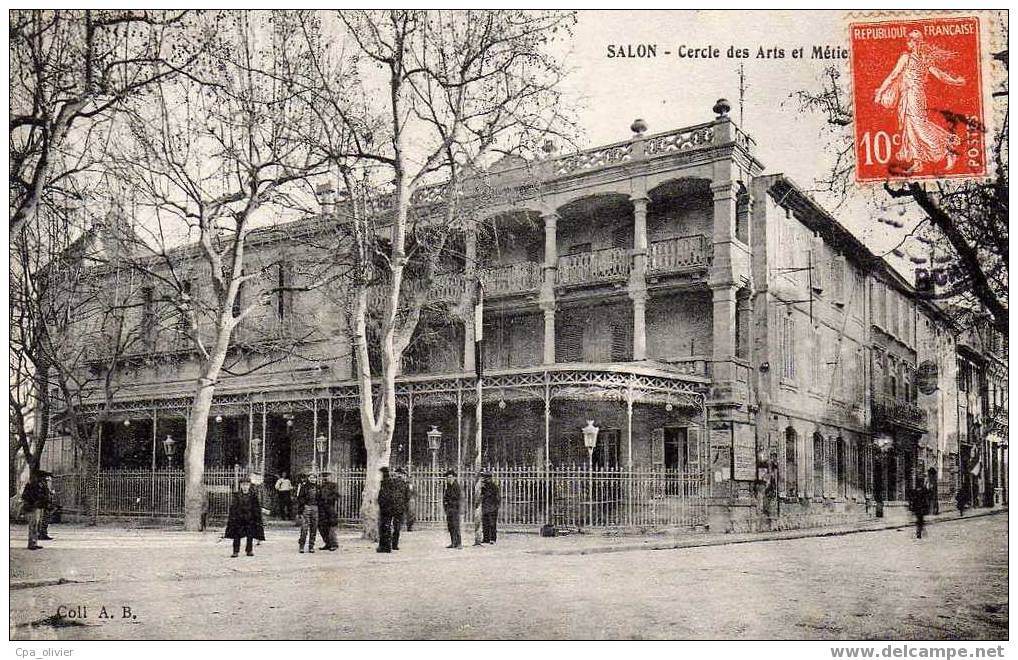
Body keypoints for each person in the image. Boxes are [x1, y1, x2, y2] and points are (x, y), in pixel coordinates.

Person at [873, 29, 966, 174]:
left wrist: (880, 93)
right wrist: (955, 81)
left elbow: (893, 76)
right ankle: (917, 162)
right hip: (912, 95)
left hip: (912, 95)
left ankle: (948, 148)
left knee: (919, 126)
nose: (907, 43)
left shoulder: (907, 57)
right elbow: (940, 75)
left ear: (914, 42)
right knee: (910, 127)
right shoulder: (924, 59)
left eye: (909, 41)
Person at [225, 477, 265, 557]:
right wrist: (233, 518)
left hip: (250, 518)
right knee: (236, 535)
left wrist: (257, 518)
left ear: (249, 485)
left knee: (250, 535)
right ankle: (235, 551)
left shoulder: (253, 496)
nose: (245, 486)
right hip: (239, 519)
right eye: (243, 485)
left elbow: (256, 507)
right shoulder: (236, 495)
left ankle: (249, 550)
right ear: (240, 485)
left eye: (247, 485)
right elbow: (233, 507)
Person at [21, 471, 50, 550]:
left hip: (38, 507)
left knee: (36, 526)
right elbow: (25, 496)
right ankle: (31, 543)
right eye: (42, 477)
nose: (44, 479)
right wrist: (34, 502)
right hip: (32, 507)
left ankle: (34, 542)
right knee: (33, 525)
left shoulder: (39, 485)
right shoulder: (31, 485)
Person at [295, 473, 320, 553]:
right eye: (311, 478)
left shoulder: (318, 487)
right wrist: (301, 509)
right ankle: (301, 546)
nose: (313, 479)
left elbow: (321, 499)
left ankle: (311, 546)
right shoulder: (304, 487)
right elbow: (300, 498)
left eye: (314, 478)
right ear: (308, 478)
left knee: (314, 527)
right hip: (306, 507)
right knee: (304, 528)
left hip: (315, 508)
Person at [376, 467, 398, 553]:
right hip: (390, 508)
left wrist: (380, 502)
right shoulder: (391, 483)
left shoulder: (385, 483)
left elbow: (383, 497)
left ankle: (384, 547)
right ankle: (386, 546)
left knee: (384, 527)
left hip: (385, 509)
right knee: (387, 527)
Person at [317, 472, 339, 551]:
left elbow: (336, 495)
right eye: (323, 477)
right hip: (321, 509)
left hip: (330, 508)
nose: (325, 478)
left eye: (326, 477)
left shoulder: (334, 485)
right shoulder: (320, 486)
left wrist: (328, 499)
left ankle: (334, 544)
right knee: (322, 526)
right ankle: (327, 543)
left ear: (330, 477)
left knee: (331, 525)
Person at [390, 467, 409, 550]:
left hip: (390, 507)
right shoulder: (405, 484)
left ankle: (388, 543)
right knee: (397, 527)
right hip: (400, 508)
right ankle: (394, 544)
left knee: (388, 525)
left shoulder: (390, 482)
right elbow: (407, 496)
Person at [442, 469, 462, 548]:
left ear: (454, 478)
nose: (449, 479)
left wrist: (449, 502)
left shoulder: (456, 486)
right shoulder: (448, 486)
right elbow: (445, 497)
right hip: (449, 509)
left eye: (450, 477)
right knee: (450, 526)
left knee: (456, 526)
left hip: (455, 509)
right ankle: (453, 542)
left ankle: (459, 543)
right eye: (448, 478)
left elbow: (457, 498)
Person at [480, 471, 501, 544]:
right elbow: (480, 496)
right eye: (485, 478)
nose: (485, 480)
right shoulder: (483, 487)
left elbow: (498, 498)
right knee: (485, 524)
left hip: (492, 508)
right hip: (485, 508)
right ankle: (486, 538)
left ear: (490, 478)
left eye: (487, 478)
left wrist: (495, 507)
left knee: (492, 524)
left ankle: (493, 539)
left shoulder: (494, 487)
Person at [39, 474, 56, 541]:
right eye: (49, 479)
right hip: (44, 504)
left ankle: (44, 533)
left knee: (46, 519)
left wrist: (51, 493)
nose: (50, 481)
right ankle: (41, 534)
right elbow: (43, 495)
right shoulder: (43, 485)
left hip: (46, 504)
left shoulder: (45, 485)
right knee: (43, 520)